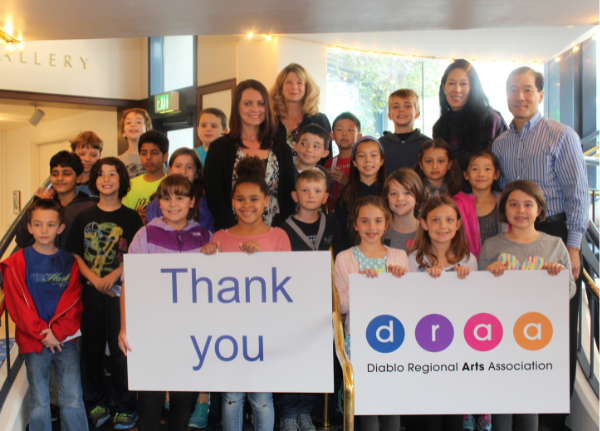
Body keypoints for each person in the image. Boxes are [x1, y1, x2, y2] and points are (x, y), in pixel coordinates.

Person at [492, 68, 588, 428]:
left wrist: (574, 247)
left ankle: (552, 417)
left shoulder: (561, 136)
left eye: (527, 90)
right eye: (513, 90)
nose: (520, 96)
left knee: (559, 325)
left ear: (540, 94)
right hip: (517, 235)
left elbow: (578, 195)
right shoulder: (501, 142)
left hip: (556, 234)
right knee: (522, 323)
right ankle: (521, 401)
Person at [201, 157, 291, 431]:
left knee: (262, 398)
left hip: (264, 330)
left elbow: (286, 285)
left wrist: (261, 260)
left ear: (266, 201)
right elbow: (207, 287)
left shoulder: (278, 236)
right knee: (231, 398)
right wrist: (206, 257)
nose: (247, 205)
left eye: (254, 199)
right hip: (226, 332)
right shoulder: (219, 237)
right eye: (240, 199)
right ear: (232, 202)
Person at [479, 180, 576, 431]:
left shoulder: (554, 245)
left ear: (539, 209)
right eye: (513, 204)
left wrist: (558, 276)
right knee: (502, 402)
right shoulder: (492, 246)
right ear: (504, 210)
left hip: (536, 337)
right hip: (500, 337)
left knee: (529, 404)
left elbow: (570, 290)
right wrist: (488, 274)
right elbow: (478, 295)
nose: (520, 210)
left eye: (528, 204)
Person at [118, 174, 212, 431]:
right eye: (166, 197)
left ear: (192, 201)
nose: (173, 203)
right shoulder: (145, 234)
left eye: (180, 197)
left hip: (190, 330)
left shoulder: (205, 236)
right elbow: (129, 282)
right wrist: (125, 327)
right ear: (158, 202)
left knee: (183, 398)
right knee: (151, 399)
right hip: (151, 329)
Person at [66, 157, 143, 429]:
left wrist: (112, 277)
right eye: (101, 175)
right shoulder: (83, 217)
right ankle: (96, 403)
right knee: (92, 350)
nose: (106, 179)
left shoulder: (131, 217)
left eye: (113, 174)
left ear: (122, 180)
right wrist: (95, 279)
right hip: (91, 294)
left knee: (122, 351)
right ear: (93, 180)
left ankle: (125, 406)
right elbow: (75, 254)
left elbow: (135, 255)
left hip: (120, 294)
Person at [0, 199, 88, 431]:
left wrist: (56, 333)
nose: (44, 230)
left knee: (72, 397)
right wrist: (43, 333)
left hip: (65, 340)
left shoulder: (69, 261)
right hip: (33, 340)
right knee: (39, 401)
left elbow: (75, 303)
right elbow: (17, 305)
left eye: (50, 225)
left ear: (60, 228)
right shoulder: (16, 263)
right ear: (29, 227)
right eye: (38, 225)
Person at [334, 195, 408, 431]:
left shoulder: (399, 257)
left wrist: (398, 281)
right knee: (367, 404)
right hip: (358, 339)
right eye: (364, 221)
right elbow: (340, 306)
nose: (371, 227)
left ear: (386, 223)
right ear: (355, 224)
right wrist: (361, 286)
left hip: (394, 339)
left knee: (391, 401)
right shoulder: (344, 258)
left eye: (377, 221)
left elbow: (408, 302)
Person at [204, 79, 296, 231]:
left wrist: (271, 232)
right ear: (236, 107)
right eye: (248, 103)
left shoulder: (281, 149)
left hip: (273, 234)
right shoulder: (219, 149)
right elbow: (215, 199)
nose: (255, 109)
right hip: (231, 235)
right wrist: (239, 232)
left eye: (261, 103)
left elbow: (288, 198)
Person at [432, 59, 507, 169]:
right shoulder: (440, 126)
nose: (457, 89)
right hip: (453, 186)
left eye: (464, 84)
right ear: (444, 87)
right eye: (451, 83)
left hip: (488, 185)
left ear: (472, 88)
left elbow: (505, 161)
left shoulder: (491, 118)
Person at [16, 151, 96, 250]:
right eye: (55, 174)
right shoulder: (44, 206)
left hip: (75, 264)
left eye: (66, 174)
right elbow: (22, 239)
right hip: (44, 264)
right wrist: (37, 203)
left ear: (79, 178)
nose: (60, 178)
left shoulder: (89, 207)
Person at [269, 63, 332, 164]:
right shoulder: (270, 119)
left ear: (306, 88)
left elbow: (326, 160)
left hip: (311, 178)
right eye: (289, 82)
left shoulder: (319, 119)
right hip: (277, 179)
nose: (294, 87)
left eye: (299, 83)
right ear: (280, 87)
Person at [453, 150, 508, 259]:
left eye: (487, 169)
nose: (481, 174)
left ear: (496, 174)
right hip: (467, 266)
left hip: (502, 265)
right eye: (475, 169)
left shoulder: (505, 203)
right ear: (466, 174)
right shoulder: (457, 204)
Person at [146, 148, 214, 233]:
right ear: (170, 170)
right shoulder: (156, 204)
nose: (183, 171)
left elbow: (210, 237)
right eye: (178, 166)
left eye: (189, 167)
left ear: (197, 172)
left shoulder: (207, 204)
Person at [335, 136, 386, 249]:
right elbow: (341, 232)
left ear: (382, 161)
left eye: (373, 155)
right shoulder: (346, 194)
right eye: (362, 156)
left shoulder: (390, 191)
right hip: (354, 254)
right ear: (354, 162)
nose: (368, 160)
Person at [408, 196, 477, 276]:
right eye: (436, 220)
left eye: (449, 220)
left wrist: (466, 279)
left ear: (458, 224)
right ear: (424, 224)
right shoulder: (413, 260)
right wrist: (425, 279)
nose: (443, 226)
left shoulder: (468, 261)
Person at [281, 169, 344, 256]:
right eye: (305, 190)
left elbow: (339, 256)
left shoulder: (332, 223)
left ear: (325, 198)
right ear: (295, 196)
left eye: (317, 191)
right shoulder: (285, 229)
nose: (311, 195)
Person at [122, 130, 169, 224]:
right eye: (144, 153)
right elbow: (125, 216)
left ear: (165, 156)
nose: (148, 157)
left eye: (154, 153)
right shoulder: (131, 184)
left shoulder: (171, 184)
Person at [380, 89, 431, 173]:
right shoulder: (380, 144)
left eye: (407, 106)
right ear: (389, 115)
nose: (401, 109)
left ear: (417, 113)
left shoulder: (427, 144)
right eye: (396, 107)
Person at [324, 112, 362, 214]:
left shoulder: (361, 162)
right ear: (332, 135)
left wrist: (346, 181)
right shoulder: (329, 163)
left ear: (359, 136)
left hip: (354, 214)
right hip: (332, 214)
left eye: (350, 130)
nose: (344, 133)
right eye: (339, 129)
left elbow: (364, 188)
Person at [382, 168, 424, 253]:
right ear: (387, 198)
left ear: (417, 198)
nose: (400, 198)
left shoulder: (426, 231)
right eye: (393, 193)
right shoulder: (380, 230)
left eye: (407, 193)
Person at [118, 108, 158, 178]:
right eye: (128, 122)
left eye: (138, 122)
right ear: (123, 133)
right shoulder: (117, 162)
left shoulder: (157, 159)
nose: (133, 125)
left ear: (147, 129)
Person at [294, 124, 332, 191]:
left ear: (324, 153)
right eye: (304, 144)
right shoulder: (286, 172)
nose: (309, 149)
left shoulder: (324, 174)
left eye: (316, 146)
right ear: (295, 146)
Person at [70, 131, 103, 195]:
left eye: (93, 155)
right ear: (73, 154)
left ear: (99, 156)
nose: (87, 159)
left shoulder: (103, 181)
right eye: (82, 154)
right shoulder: (63, 177)